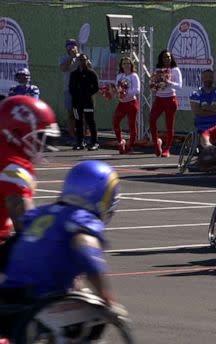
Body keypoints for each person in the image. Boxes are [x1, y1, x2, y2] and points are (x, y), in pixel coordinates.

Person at [0, 160, 120, 338]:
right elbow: (86, 251)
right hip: (40, 300)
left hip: (9, 296)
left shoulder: (42, 213)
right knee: (97, 316)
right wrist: (105, 295)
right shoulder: (80, 219)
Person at [0, 96, 59, 270]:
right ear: (17, 133)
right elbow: (27, 224)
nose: (43, 143)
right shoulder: (12, 166)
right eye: (39, 136)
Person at [149, 50, 182, 158]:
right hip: (159, 99)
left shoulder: (175, 70)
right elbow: (153, 85)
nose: (167, 59)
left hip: (170, 99)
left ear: (171, 58)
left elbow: (179, 86)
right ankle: (156, 144)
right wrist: (155, 84)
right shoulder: (158, 70)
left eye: (168, 57)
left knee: (169, 125)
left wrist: (169, 82)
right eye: (164, 57)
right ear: (161, 59)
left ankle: (167, 149)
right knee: (152, 120)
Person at [69, 54, 100, 151]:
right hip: (76, 103)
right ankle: (80, 142)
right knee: (78, 121)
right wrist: (76, 95)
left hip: (88, 102)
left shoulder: (92, 73)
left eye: (84, 60)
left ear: (87, 61)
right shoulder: (73, 74)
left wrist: (87, 94)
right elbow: (70, 88)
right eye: (80, 60)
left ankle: (94, 142)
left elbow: (96, 88)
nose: (82, 62)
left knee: (90, 121)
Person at [112, 56, 140, 154]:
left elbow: (137, 90)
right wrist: (115, 92)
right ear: (121, 65)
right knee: (116, 122)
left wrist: (125, 93)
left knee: (132, 125)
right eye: (124, 63)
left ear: (131, 65)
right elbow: (116, 88)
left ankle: (130, 146)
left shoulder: (134, 76)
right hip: (122, 104)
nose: (126, 65)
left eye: (128, 63)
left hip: (131, 103)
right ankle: (121, 142)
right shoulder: (119, 76)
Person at [190, 69, 216, 134]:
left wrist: (206, 108)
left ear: (213, 79)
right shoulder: (195, 94)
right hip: (202, 125)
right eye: (206, 77)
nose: (208, 79)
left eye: (210, 77)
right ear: (202, 79)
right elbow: (197, 112)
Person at [59, 39, 81, 141]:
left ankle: (84, 135)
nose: (71, 48)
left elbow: (89, 67)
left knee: (83, 114)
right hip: (69, 90)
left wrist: (79, 58)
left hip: (81, 90)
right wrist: (71, 58)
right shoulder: (64, 58)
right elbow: (63, 68)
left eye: (73, 45)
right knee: (71, 113)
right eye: (68, 46)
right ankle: (72, 135)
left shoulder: (81, 58)